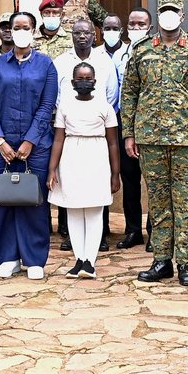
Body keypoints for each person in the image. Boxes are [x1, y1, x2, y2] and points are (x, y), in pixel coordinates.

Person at [122, 0, 188, 288]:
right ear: (158, 13)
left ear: (182, 14)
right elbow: (129, 94)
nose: (168, 15)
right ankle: (162, 260)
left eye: (173, 11)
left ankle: (186, 263)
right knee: (159, 203)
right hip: (150, 139)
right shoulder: (141, 51)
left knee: (186, 203)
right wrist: (129, 132)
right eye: (163, 10)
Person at [0, 11, 58, 279]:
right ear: (10, 31)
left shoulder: (46, 65)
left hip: (35, 145)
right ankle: (7, 257)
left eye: (25, 27)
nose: (20, 31)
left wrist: (30, 140)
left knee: (32, 200)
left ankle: (34, 258)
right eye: (16, 27)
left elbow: (47, 106)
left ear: (33, 30)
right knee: (2, 200)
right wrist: (0, 139)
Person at [48, 62, 121, 277]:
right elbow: (58, 140)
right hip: (70, 157)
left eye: (88, 78)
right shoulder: (65, 106)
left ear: (95, 82)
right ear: (72, 82)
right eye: (80, 78)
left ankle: (90, 260)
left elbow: (113, 143)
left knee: (94, 211)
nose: (84, 82)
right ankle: (79, 258)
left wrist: (115, 173)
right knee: (74, 209)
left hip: (97, 157)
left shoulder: (105, 107)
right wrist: (52, 169)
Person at [53, 17, 119, 252]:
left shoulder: (104, 62)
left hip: (96, 132)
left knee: (97, 186)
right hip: (69, 127)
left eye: (87, 33)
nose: (82, 36)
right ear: (71, 35)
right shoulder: (60, 62)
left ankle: (99, 236)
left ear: (94, 35)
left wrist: (92, 113)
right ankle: (71, 236)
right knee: (70, 185)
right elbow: (55, 94)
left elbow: (111, 94)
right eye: (77, 33)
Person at [112, 7, 154, 251]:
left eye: (141, 24)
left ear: (150, 26)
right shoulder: (120, 56)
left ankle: (154, 232)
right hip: (126, 126)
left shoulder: (157, 51)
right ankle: (133, 231)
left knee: (155, 183)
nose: (136, 28)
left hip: (151, 128)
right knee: (130, 182)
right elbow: (117, 93)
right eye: (133, 24)